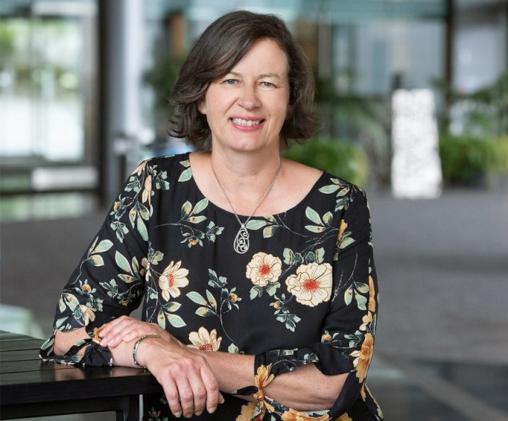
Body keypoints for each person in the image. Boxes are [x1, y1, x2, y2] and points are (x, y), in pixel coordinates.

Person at [40, 10, 381, 420]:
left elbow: (335, 381)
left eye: (268, 83)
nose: (249, 100)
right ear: (202, 96)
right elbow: (71, 329)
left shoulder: (338, 204)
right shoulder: (157, 188)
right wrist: (148, 349)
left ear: (289, 100)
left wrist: (181, 355)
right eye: (230, 80)